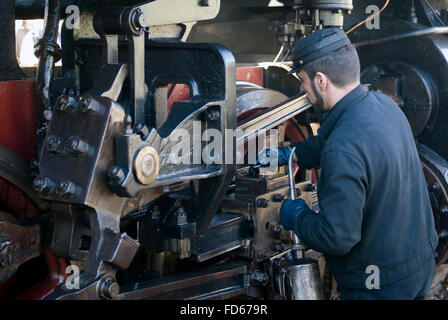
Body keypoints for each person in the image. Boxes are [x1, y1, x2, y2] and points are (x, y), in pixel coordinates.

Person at [259, 28, 439, 299]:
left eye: (303, 81)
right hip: (418, 265)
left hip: (378, 286)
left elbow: (335, 238)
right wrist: (292, 153)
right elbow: (333, 141)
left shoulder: (342, 149)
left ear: (321, 80)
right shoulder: (382, 105)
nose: (302, 89)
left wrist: (296, 215)